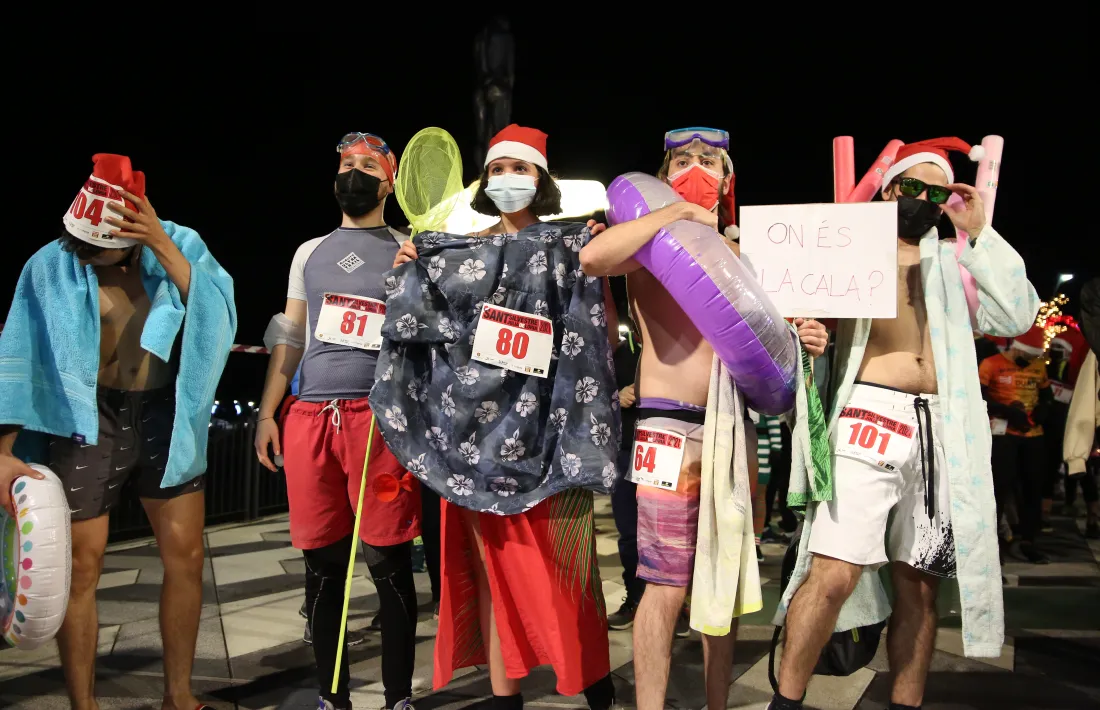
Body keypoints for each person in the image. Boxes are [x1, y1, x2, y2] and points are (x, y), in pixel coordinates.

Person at [772, 137, 1040, 710]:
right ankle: (786, 702)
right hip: (870, 413)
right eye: (912, 186)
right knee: (834, 571)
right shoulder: (850, 252)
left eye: (936, 190)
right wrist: (810, 336)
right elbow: (798, 318)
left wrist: (982, 231)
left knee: (922, 583)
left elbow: (1017, 316)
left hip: (944, 429)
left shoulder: (957, 259)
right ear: (891, 189)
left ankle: (905, 704)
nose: (923, 198)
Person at [579, 127, 828, 710]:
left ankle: (717, 704)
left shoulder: (750, 256)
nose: (696, 168)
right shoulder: (645, 238)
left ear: (728, 177)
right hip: (666, 425)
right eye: (683, 160)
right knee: (662, 585)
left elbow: (779, 342)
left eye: (708, 161)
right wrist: (678, 212)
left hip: (733, 424)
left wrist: (806, 337)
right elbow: (593, 259)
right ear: (664, 175)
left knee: (727, 580)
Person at [390, 125, 619, 710]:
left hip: (551, 434)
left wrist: (595, 242)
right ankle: (503, 693)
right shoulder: (453, 254)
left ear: (539, 180)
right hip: (475, 444)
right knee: (491, 573)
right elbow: (428, 329)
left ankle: (592, 680)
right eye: (496, 170)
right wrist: (413, 267)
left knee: (567, 570)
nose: (506, 180)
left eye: (519, 169)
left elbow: (592, 328)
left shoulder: (572, 247)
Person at [0, 153, 236, 710]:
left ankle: (179, 696)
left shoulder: (176, 245)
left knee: (186, 557)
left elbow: (217, 310)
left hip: (164, 413)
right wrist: (3, 450)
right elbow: (18, 350)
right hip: (86, 421)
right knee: (82, 564)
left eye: (98, 250)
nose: (83, 258)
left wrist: (159, 241)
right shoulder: (50, 264)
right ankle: (84, 704)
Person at [254, 132, 420, 710]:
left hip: (378, 422)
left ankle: (397, 696)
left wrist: (417, 277)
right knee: (322, 564)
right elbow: (292, 336)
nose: (354, 173)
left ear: (389, 179)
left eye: (367, 165)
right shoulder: (310, 252)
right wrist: (268, 410)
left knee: (387, 560)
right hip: (311, 418)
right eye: (346, 164)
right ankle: (334, 697)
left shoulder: (410, 246)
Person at [982, 325, 1055, 563]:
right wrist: (1006, 411)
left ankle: (1029, 541)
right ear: (1019, 349)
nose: (1035, 360)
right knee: (999, 490)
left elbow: (1046, 395)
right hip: (1003, 436)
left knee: (1032, 489)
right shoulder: (991, 364)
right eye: (1032, 355)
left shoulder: (1037, 367)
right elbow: (979, 397)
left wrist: (1044, 409)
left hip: (1033, 436)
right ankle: (996, 548)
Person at [607, 317, 651, 631]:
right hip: (623, 451)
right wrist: (616, 397)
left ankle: (675, 603)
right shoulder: (613, 352)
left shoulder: (669, 349)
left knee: (667, 534)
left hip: (664, 449)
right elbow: (588, 396)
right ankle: (635, 599)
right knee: (629, 534)